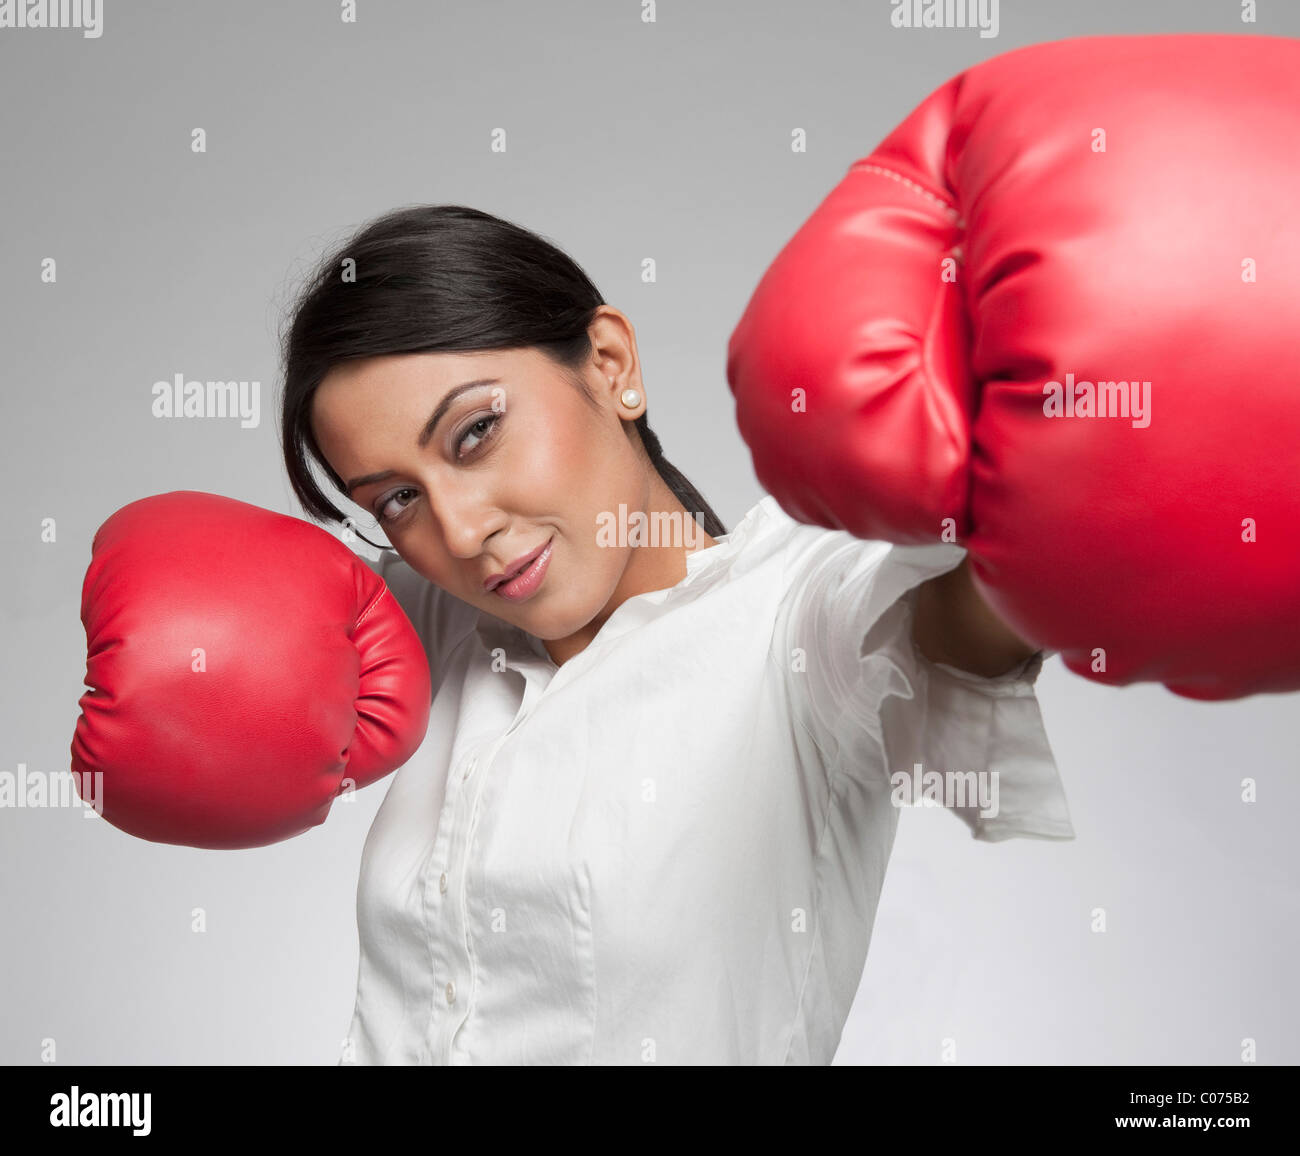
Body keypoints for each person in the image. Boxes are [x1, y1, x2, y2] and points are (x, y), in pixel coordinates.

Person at [279, 203, 1074, 1065]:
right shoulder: (428, 621)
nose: (462, 530)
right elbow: (217, 649)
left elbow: (957, 617)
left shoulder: (789, 620)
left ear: (612, 362)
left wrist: (1057, 465)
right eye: (397, 498)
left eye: (476, 433)